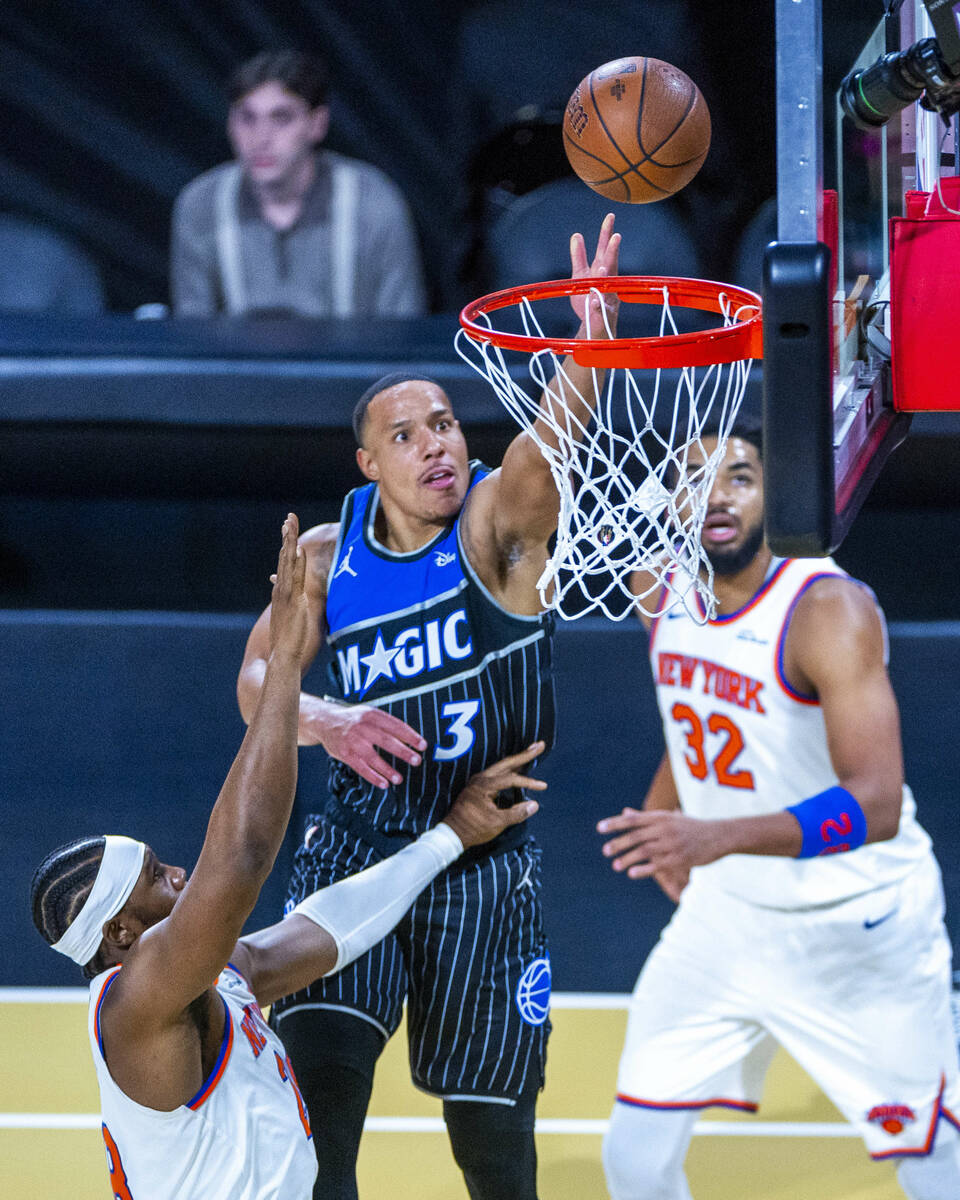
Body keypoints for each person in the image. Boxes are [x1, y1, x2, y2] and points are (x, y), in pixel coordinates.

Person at [237, 217, 621, 1199]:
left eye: (443, 423)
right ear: (369, 463)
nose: (434, 445)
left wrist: (588, 338)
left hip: (481, 865)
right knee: (318, 1124)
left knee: (492, 1154)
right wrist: (324, 719)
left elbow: (544, 449)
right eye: (404, 435)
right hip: (357, 849)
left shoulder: (494, 522)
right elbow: (253, 683)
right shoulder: (327, 553)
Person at [29, 515, 545, 1200]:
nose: (179, 873)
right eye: (156, 878)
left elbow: (327, 928)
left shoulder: (211, 978)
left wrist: (450, 834)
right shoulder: (139, 1001)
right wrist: (285, 672)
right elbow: (241, 856)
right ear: (122, 934)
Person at [596, 422, 960, 1200]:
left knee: (934, 1164)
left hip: (858, 923)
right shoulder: (660, 591)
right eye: (694, 478)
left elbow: (877, 803)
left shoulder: (827, 609)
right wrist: (671, 813)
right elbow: (697, 708)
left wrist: (710, 836)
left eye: (739, 475)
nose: (715, 495)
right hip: (726, 922)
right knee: (633, 1155)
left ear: (781, 491)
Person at [170, 51, 427, 318]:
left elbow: (402, 332)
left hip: (346, 359)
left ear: (317, 124)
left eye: (281, 118)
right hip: (240, 361)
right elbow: (193, 336)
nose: (261, 139)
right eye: (247, 118)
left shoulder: (372, 202)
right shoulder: (201, 204)